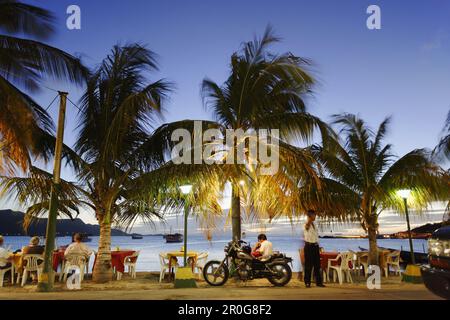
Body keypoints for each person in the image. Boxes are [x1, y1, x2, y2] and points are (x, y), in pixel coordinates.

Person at [303, 210, 325, 288]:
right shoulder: (306, 223)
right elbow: (307, 227)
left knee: (317, 265)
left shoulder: (314, 224)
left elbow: (316, 236)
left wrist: (318, 245)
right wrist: (309, 219)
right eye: (314, 215)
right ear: (310, 216)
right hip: (309, 246)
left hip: (315, 246)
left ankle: (318, 282)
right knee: (308, 265)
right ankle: (307, 282)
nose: (315, 216)